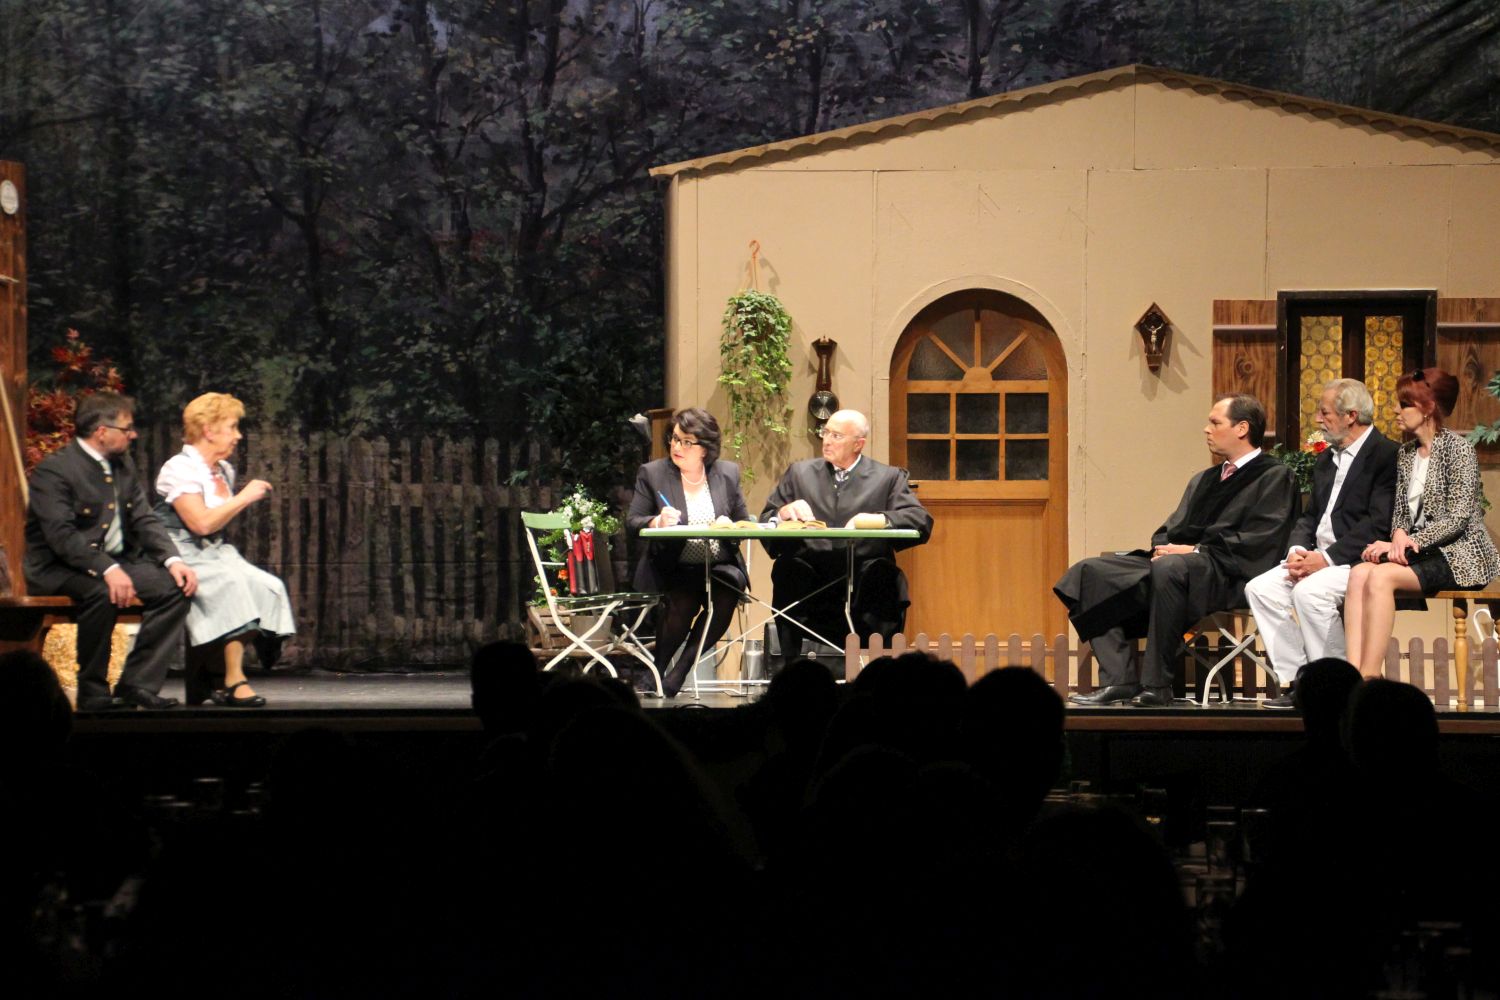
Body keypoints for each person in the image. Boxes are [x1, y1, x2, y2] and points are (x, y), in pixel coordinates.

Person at [1055, 394, 1296, 706]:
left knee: (1170, 567)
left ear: (1242, 428)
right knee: (1092, 571)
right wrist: (1163, 548)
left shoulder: (1275, 476)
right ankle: (1119, 680)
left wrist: (1194, 550)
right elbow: (1171, 528)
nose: (1206, 429)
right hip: (1181, 569)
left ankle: (1157, 686)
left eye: (1215, 422)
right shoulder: (1205, 479)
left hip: (1228, 574)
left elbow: (1262, 540)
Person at [24, 392, 198, 710]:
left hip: (113, 563)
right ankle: (93, 691)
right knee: (102, 593)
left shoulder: (122, 465)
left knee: (174, 588)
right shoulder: (55, 471)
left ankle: (137, 684)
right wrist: (107, 568)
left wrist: (172, 559)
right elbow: (62, 537)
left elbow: (143, 517)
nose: (133, 435)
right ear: (101, 431)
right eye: (126, 428)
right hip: (58, 568)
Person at [1243, 379, 1398, 706]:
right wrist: (1298, 551)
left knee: (1309, 593)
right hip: (1317, 556)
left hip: (1359, 561)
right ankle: (1298, 682)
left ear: (1351, 416)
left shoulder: (1386, 455)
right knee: (1260, 588)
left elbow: (1378, 523)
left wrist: (1326, 559)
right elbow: (1310, 515)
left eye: (1324, 413)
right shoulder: (1326, 459)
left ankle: (1339, 688)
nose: (1317, 419)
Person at [1344, 368, 1500, 676]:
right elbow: (1401, 513)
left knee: (1381, 578)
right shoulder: (1406, 454)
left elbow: (1458, 518)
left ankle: (1369, 678)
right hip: (1424, 551)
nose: (1395, 410)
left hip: (1461, 555)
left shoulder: (1459, 449)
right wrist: (1397, 536)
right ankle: (1351, 674)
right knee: (1359, 573)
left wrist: (1411, 541)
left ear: (1428, 408)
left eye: (1404, 404)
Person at [759, 409, 933, 664]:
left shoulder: (888, 478)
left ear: (858, 444)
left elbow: (920, 519)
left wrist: (874, 520)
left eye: (836, 436)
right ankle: (791, 669)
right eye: (825, 432)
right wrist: (783, 513)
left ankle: (879, 671)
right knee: (788, 569)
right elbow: (765, 519)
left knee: (886, 576)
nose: (826, 440)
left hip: (864, 579)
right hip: (811, 579)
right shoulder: (799, 474)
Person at [155, 392, 295, 707]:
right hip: (179, 552)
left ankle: (214, 675)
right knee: (232, 586)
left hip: (214, 551)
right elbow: (201, 523)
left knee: (268, 587)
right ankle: (234, 679)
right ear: (209, 430)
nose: (238, 435)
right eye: (232, 427)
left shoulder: (223, 471)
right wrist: (243, 497)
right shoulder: (180, 468)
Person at [626, 408, 750, 697]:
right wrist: (657, 521)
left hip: (719, 564)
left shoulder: (727, 473)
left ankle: (679, 671)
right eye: (674, 439)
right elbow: (632, 522)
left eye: (686, 442)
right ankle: (657, 668)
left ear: (705, 449)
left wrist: (730, 524)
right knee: (684, 599)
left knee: (728, 590)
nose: (676, 447)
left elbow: (745, 522)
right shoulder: (653, 473)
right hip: (675, 564)